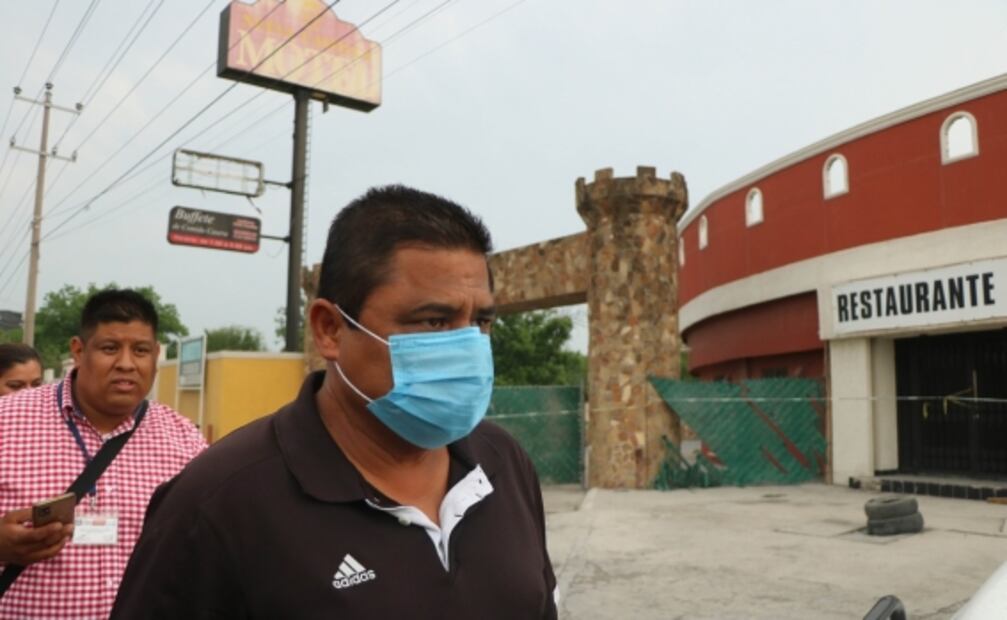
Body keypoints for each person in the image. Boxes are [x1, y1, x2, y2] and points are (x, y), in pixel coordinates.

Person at [111, 185, 559, 619]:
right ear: (330, 329)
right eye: (434, 322)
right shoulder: (217, 504)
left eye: (480, 322)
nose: (466, 346)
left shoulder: (503, 462)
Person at [0, 289, 207, 619]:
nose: (126, 364)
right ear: (78, 351)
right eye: (110, 348)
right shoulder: (7, 422)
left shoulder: (186, 442)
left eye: (140, 351)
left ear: (155, 355)